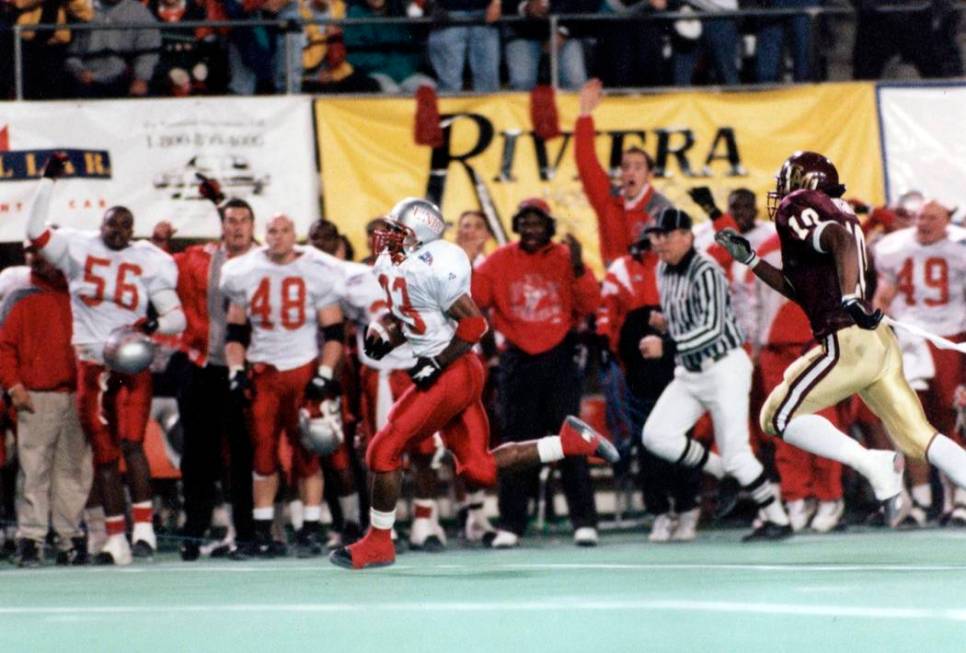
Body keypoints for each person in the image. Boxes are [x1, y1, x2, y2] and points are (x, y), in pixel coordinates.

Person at [329, 198, 618, 570]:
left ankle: (379, 543)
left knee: (382, 450)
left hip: (455, 371)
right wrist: (388, 334)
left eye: (397, 231)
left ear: (418, 237)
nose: (385, 237)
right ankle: (567, 443)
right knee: (479, 470)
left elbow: (473, 325)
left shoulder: (435, 267)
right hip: (454, 368)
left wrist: (435, 362)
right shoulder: (397, 265)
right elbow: (415, 318)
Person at [714, 150, 966, 529]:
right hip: (875, 341)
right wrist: (753, 262)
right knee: (919, 438)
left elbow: (837, 242)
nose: (783, 191)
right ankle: (880, 464)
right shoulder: (841, 210)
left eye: (790, 181)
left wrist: (849, 296)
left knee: (776, 416)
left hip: (847, 340)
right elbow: (804, 290)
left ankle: (873, 463)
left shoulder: (800, 206)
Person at [26, 154, 186, 565]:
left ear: (134, 231)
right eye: (112, 223)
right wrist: (48, 183)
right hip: (90, 363)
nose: (117, 231)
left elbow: (176, 318)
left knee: (133, 444)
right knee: (104, 454)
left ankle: (145, 531)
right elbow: (33, 231)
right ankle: (116, 537)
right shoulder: (77, 246)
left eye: (125, 225)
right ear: (102, 223)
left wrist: (147, 327)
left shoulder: (150, 258)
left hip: (129, 367)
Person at [640, 207, 791, 541]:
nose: (659, 243)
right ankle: (724, 472)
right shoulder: (662, 269)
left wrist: (666, 343)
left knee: (738, 453)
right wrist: (668, 324)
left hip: (723, 366)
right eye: (655, 236)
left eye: (665, 235)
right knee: (656, 436)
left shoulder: (706, 269)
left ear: (686, 236)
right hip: (691, 369)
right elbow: (689, 318)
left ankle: (777, 518)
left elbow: (710, 328)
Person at [473, 198, 604, 548]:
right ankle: (512, 524)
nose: (532, 230)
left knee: (570, 439)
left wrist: (577, 266)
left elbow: (590, 305)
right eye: (525, 223)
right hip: (517, 360)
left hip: (560, 357)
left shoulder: (566, 258)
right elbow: (473, 302)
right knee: (517, 443)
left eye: (538, 224)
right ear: (517, 226)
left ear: (549, 227)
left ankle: (584, 522)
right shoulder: (498, 260)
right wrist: (488, 351)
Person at [220, 215, 346, 558]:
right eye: (272, 231)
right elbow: (234, 333)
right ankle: (263, 532)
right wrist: (236, 370)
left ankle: (309, 529)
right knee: (262, 454)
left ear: (295, 235)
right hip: (264, 371)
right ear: (265, 235)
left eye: (284, 231)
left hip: (303, 369)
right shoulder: (243, 271)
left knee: (309, 452)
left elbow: (335, 334)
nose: (277, 237)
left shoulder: (317, 270)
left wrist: (323, 372)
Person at [597, 234, 702, 541]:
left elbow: (698, 313)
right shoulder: (620, 268)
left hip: (678, 362)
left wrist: (671, 328)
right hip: (638, 369)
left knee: (682, 439)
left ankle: (687, 508)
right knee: (647, 444)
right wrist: (606, 341)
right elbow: (607, 311)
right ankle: (659, 512)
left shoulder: (685, 266)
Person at [173, 182, 258, 561]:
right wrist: (159, 241)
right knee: (197, 457)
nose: (237, 227)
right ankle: (194, 531)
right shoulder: (200, 258)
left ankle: (246, 533)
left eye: (244, 220)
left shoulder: (267, 261)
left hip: (248, 370)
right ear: (221, 226)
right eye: (231, 220)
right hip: (204, 367)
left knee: (243, 456)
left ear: (253, 226)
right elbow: (159, 268)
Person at [872, 199, 965, 524]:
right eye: (920, 217)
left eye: (931, 217)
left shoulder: (960, 245)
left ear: (946, 220)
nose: (923, 223)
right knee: (910, 420)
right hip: (909, 337)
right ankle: (924, 500)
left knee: (956, 416)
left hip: (950, 337)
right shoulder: (894, 247)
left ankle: (962, 497)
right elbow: (885, 293)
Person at [0, 242, 92, 566]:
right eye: (31, 252)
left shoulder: (82, 295)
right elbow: (4, 346)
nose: (36, 258)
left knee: (73, 470)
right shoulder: (19, 295)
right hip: (36, 396)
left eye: (42, 252)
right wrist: (13, 386)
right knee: (33, 469)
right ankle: (31, 538)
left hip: (78, 394)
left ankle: (69, 538)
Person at [575, 78, 674, 266]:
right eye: (626, 167)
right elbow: (585, 162)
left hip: (651, 288)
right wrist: (585, 115)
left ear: (649, 175)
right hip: (615, 286)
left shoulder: (661, 208)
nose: (630, 173)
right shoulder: (608, 199)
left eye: (638, 167)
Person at [64, 0, 160, 98]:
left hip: (122, 83)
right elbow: (71, 52)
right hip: (84, 82)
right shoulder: (80, 8)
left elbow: (148, 51)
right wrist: (79, 71)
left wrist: (141, 79)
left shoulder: (140, 13)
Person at [425, 0, 501, 92]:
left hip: (485, 13)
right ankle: (449, 106)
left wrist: (497, 2)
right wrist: (431, 4)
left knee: (488, 80)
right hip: (447, 13)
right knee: (448, 83)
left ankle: (489, 105)